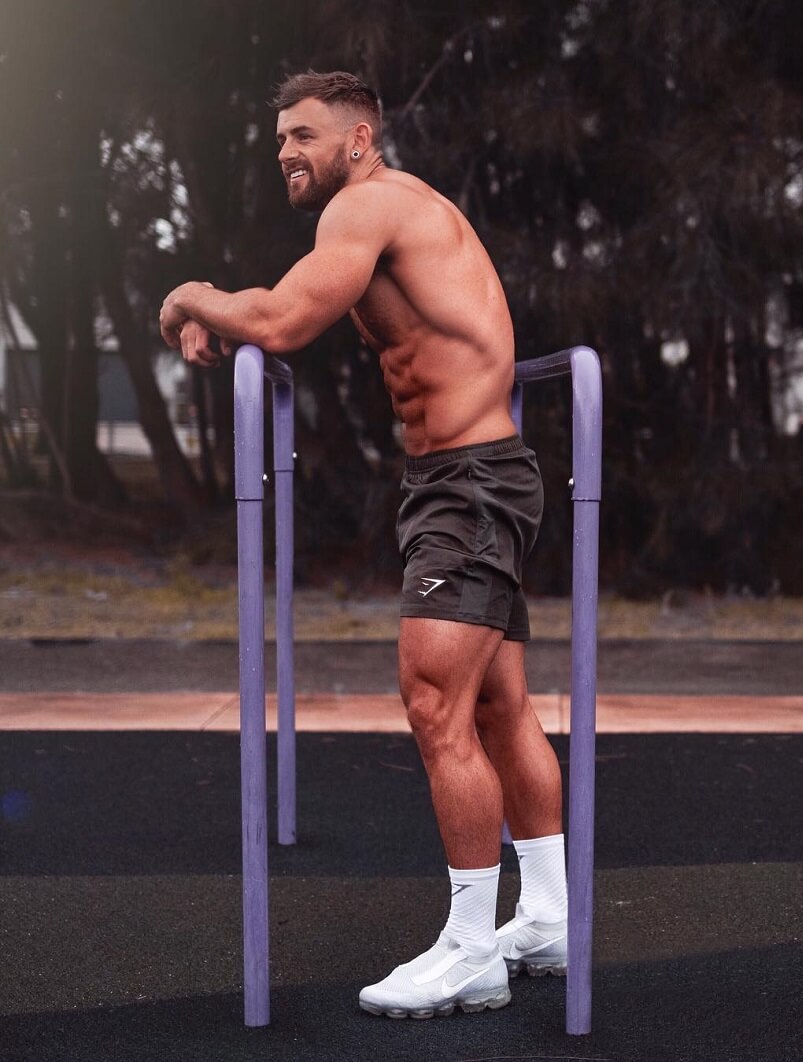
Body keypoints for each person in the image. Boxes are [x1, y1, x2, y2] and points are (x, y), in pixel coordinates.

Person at [160, 70, 567, 1020]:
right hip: (479, 477)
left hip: (468, 486)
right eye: (278, 140)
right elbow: (295, 310)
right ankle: (546, 916)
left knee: (436, 705)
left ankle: (472, 947)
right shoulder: (393, 212)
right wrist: (233, 313)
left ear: (356, 139)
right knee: (500, 704)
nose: (287, 153)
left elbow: (282, 321)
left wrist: (191, 295)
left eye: (303, 135)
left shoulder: (369, 205)